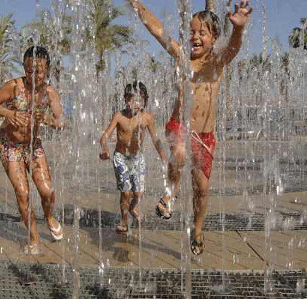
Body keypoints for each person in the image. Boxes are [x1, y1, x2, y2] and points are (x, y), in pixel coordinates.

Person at [128, 0, 252, 255]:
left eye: (202, 33)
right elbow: (158, 30)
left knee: (202, 190)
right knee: (181, 155)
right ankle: (169, 194)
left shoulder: (217, 63)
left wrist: (238, 30)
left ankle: (197, 229)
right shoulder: (182, 57)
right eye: (192, 31)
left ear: (214, 37)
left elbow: (234, 47)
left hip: (205, 136)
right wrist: (138, 6)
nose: (194, 37)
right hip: (180, 125)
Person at [0, 46, 65, 255]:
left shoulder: (49, 93)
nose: (33, 75)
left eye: (39, 71)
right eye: (29, 70)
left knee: (47, 191)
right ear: (24, 67)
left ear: (47, 70)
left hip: (33, 146)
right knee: (23, 194)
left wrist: (48, 120)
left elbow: (61, 122)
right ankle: (34, 237)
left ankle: (49, 217)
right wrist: (7, 112)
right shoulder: (14, 86)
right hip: (10, 147)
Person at [99, 81, 167, 234]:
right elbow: (105, 135)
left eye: (136, 100)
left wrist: (164, 157)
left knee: (138, 193)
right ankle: (124, 221)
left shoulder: (146, 118)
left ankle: (132, 206)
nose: (132, 103)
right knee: (126, 191)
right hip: (121, 157)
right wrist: (104, 148)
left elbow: (156, 139)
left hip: (137, 158)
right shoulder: (119, 116)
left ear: (143, 101)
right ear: (125, 99)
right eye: (129, 99)